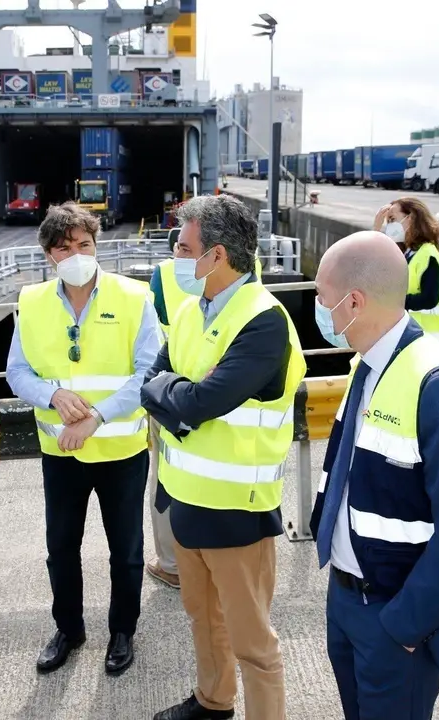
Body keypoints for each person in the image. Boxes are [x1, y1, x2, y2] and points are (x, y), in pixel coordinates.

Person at [310, 231, 439, 720]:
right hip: (348, 601)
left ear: (353, 301)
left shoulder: (437, 385)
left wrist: (402, 625)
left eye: (322, 299)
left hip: (393, 616)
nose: (321, 311)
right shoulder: (370, 366)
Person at [142, 194, 305, 720]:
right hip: (186, 499)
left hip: (238, 509)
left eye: (184, 247)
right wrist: (180, 398)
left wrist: (180, 397)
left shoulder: (263, 321)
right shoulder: (191, 311)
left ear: (216, 256)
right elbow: (154, 383)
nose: (176, 256)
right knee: (203, 619)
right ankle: (213, 701)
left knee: (252, 640)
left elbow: (202, 402)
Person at [5, 201, 160, 676]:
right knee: (62, 547)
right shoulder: (30, 302)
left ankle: (122, 631)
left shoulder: (135, 297)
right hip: (61, 452)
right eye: (64, 247)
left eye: (84, 244)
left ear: (96, 245)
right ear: (50, 255)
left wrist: (95, 416)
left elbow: (148, 372)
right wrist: (53, 395)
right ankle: (68, 630)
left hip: (121, 450)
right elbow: (16, 372)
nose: (76, 253)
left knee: (127, 551)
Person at [145, 229, 268, 591]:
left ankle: (171, 563)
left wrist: (168, 391)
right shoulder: (246, 273)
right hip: (203, 386)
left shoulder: (163, 275)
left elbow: (155, 335)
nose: (178, 255)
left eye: (184, 247)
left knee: (165, 477)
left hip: (180, 388)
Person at [374, 197, 439, 345]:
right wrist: (376, 232)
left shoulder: (427, 255)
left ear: (411, 219)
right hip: (414, 338)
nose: (390, 226)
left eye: (392, 219)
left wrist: (394, 301)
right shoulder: (408, 253)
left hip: (430, 342)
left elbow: (429, 299)